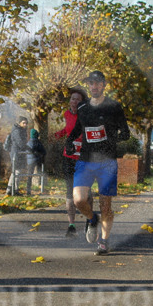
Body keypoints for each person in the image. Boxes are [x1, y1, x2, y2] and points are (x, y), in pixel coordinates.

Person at [64, 70, 130, 255]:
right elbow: (78, 128)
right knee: (79, 199)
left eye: (97, 83)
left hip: (107, 161)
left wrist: (110, 139)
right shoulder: (83, 107)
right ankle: (92, 220)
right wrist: (70, 141)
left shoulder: (114, 107)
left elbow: (125, 133)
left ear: (103, 85)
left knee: (105, 205)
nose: (94, 86)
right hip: (85, 160)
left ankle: (103, 241)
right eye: (91, 83)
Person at [53, 89, 87, 237]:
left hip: (84, 158)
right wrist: (58, 135)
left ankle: (89, 219)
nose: (74, 102)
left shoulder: (87, 116)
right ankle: (71, 225)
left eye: (78, 99)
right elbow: (69, 130)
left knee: (84, 194)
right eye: (72, 99)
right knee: (69, 192)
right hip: (68, 157)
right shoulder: (67, 114)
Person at [3, 116, 29, 196]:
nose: (25, 124)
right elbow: (20, 143)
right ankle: (14, 190)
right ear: (19, 123)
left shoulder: (22, 130)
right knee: (17, 171)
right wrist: (28, 148)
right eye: (23, 123)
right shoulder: (17, 131)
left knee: (15, 171)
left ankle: (10, 189)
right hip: (16, 153)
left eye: (26, 123)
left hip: (19, 153)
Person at [23, 128, 46, 195]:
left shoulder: (28, 143)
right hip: (37, 160)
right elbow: (44, 151)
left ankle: (28, 190)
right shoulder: (38, 142)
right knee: (41, 173)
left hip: (29, 162)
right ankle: (42, 188)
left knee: (29, 175)